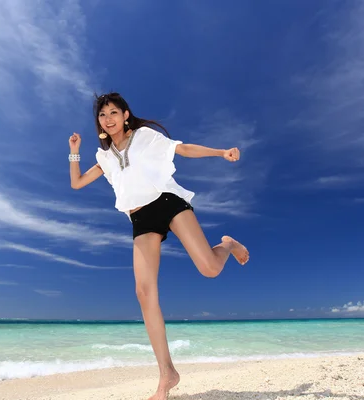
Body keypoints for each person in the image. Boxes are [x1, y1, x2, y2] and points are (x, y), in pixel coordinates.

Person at [68, 92, 249, 400]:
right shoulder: (105, 157)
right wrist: (74, 151)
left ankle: (227, 245)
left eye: (113, 112)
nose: (108, 118)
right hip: (140, 220)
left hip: (167, 202)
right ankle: (167, 374)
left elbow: (182, 148)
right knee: (143, 292)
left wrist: (220, 153)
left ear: (125, 115)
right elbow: (77, 183)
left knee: (209, 268)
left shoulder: (144, 136)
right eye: (102, 115)